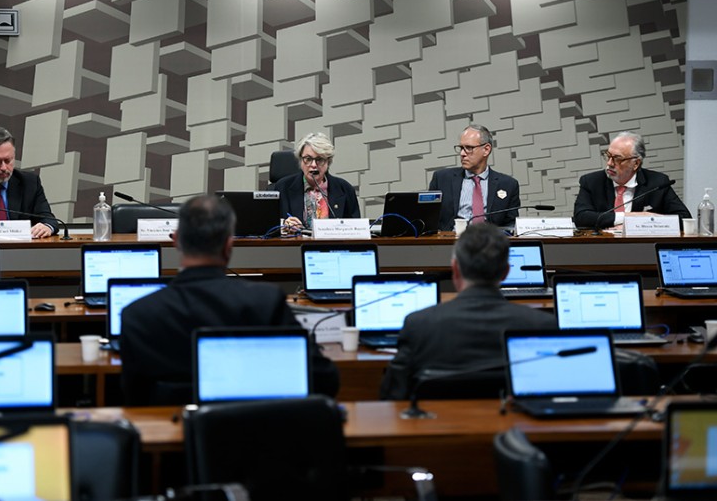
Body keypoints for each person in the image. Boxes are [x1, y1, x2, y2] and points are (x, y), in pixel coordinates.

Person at [120, 194, 340, 405]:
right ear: (228, 245)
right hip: (251, 434)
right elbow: (323, 379)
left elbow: (133, 397)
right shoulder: (265, 302)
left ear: (176, 241)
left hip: (171, 436)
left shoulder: (138, 314)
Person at [379, 223, 556, 400]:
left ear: (455, 269)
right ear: (505, 272)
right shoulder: (542, 325)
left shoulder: (418, 325)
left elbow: (393, 395)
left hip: (436, 423)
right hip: (510, 425)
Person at [573, 131, 691, 229]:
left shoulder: (658, 183)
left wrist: (648, 220)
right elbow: (581, 218)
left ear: (636, 163)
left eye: (617, 159)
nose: (609, 163)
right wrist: (631, 217)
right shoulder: (592, 182)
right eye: (608, 156)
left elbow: (684, 219)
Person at [429, 124, 520, 232]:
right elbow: (429, 219)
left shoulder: (508, 185)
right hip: (450, 243)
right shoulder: (441, 179)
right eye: (461, 148)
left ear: (486, 150)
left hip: (490, 244)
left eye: (469, 148)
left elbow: (510, 224)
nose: (462, 153)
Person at [274, 132, 360, 232]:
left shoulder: (345, 189)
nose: (314, 165)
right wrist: (284, 225)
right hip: (295, 246)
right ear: (301, 161)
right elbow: (269, 226)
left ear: (328, 162)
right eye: (308, 159)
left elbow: (356, 229)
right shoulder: (283, 187)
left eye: (319, 159)